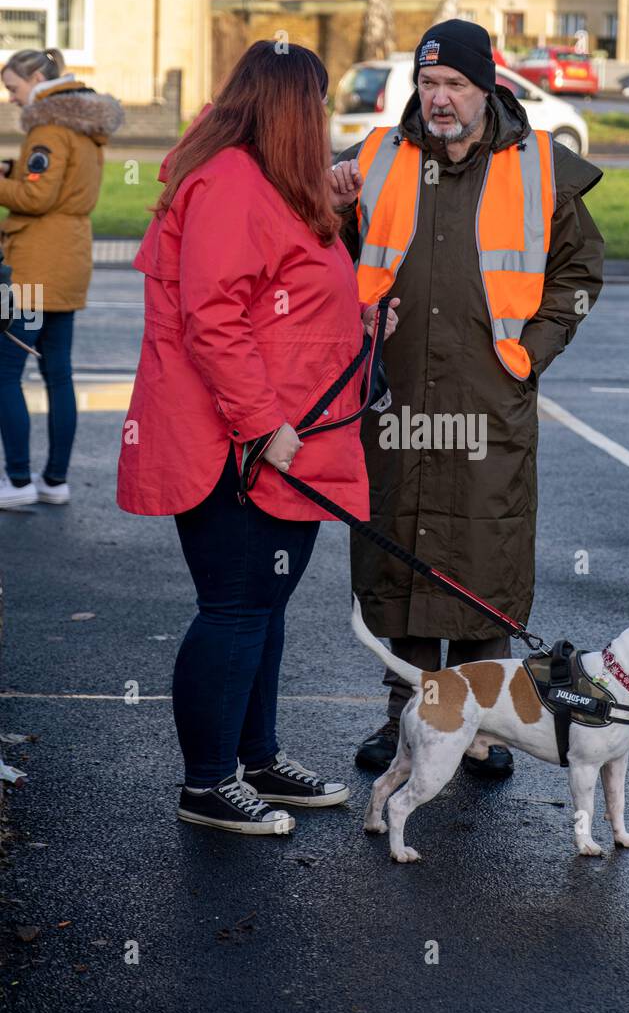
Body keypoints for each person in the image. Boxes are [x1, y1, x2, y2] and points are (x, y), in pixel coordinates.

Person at [116, 41, 398, 835]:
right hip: (235, 448)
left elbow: (285, 290)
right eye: (315, 102)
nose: (322, 118)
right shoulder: (231, 182)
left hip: (281, 437)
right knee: (236, 607)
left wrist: (350, 279)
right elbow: (213, 318)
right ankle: (207, 783)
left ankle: (258, 757)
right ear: (287, 108)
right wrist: (262, 425)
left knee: (263, 607)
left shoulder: (269, 180)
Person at [330, 19, 605, 778]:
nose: (439, 98)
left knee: (485, 554)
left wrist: (531, 354)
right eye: (428, 83)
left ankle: (483, 726)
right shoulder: (377, 156)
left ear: (488, 88)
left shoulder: (542, 165)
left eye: (454, 83)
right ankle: (405, 719)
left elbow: (579, 275)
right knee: (398, 548)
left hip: (492, 399)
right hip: (396, 395)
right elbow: (325, 248)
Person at [0, 48, 122, 508]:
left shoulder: (47, 128)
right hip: (70, 261)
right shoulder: (86, 127)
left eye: (13, 87)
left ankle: (16, 480)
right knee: (58, 375)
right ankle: (54, 480)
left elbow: (37, 197)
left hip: (32, 267)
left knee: (6, 374)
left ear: (35, 77)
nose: (11, 99)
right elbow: (58, 186)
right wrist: (13, 173)